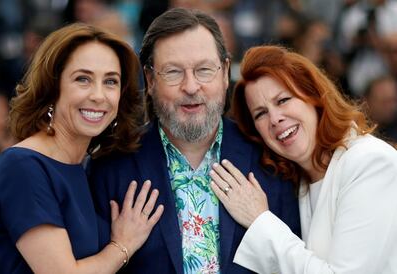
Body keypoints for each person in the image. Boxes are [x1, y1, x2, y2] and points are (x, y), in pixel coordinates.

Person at [88, 8, 300, 274]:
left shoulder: (269, 159)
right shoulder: (110, 167)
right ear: (151, 80)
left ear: (224, 73)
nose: (190, 87)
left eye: (203, 70)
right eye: (174, 72)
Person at [0, 23, 164, 274]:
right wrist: (122, 245)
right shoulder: (23, 167)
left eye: (110, 81)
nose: (99, 95)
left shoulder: (81, 165)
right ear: (53, 86)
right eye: (83, 79)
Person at [209, 45, 397, 273]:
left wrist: (260, 220)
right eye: (260, 113)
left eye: (283, 100)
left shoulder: (370, 162)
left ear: (313, 96)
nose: (275, 118)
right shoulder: (298, 182)